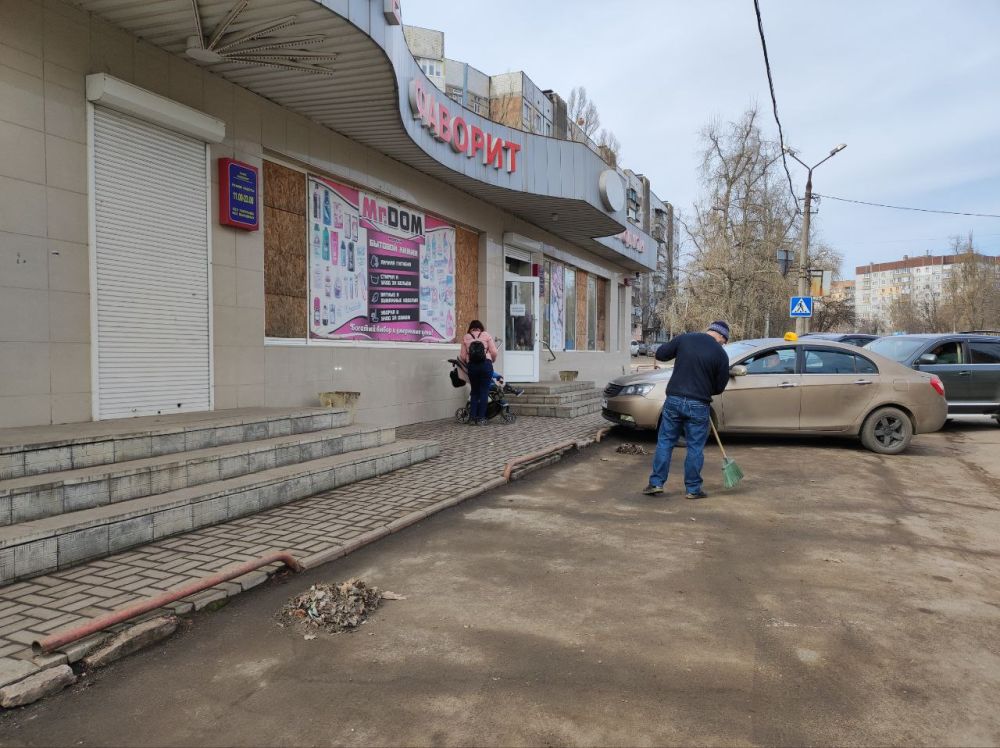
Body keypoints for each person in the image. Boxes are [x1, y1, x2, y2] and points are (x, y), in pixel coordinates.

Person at [643, 320, 732, 499]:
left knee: (665, 442)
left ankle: (656, 483)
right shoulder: (721, 355)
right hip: (699, 404)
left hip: (674, 400)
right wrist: (705, 389)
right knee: (695, 447)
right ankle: (692, 489)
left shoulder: (686, 338)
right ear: (721, 336)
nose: (724, 344)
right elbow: (719, 387)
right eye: (725, 341)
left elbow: (661, 353)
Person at [459, 320, 499, 425]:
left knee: (475, 392)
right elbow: (494, 352)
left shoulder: (466, 337)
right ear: (480, 327)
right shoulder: (486, 335)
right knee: (484, 392)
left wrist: (468, 362)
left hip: (472, 367)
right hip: (486, 365)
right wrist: (491, 360)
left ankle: (472, 418)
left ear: (471, 328)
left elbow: (462, 356)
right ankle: (481, 418)